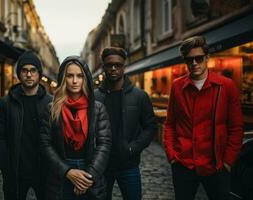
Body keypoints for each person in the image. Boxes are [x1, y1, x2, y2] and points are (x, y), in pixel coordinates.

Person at [164, 36, 244, 200]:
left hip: (216, 165)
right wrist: (172, 156)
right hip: (184, 164)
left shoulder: (226, 86)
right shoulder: (177, 87)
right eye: (189, 59)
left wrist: (228, 161)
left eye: (198, 58)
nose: (194, 63)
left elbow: (236, 127)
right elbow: (170, 124)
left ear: (207, 58)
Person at [40, 56, 111, 200]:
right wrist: (67, 171)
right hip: (61, 171)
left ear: (85, 79)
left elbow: (104, 144)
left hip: (89, 168)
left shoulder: (97, 109)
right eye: (70, 76)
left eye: (79, 76)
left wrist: (89, 177)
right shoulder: (52, 109)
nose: (74, 81)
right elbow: (44, 144)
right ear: (63, 79)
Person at [94, 47, 157, 200]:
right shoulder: (94, 96)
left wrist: (133, 148)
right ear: (104, 67)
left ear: (124, 66)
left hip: (129, 165)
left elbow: (150, 127)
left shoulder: (139, 96)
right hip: (102, 165)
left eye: (118, 65)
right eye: (109, 65)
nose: (113, 68)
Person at [0, 51, 52, 200]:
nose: (29, 75)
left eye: (33, 70)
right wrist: (5, 166)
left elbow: (57, 137)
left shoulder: (51, 103)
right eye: (24, 70)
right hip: (16, 172)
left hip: (44, 172)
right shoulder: (6, 103)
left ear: (39, 74)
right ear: (19, 74)